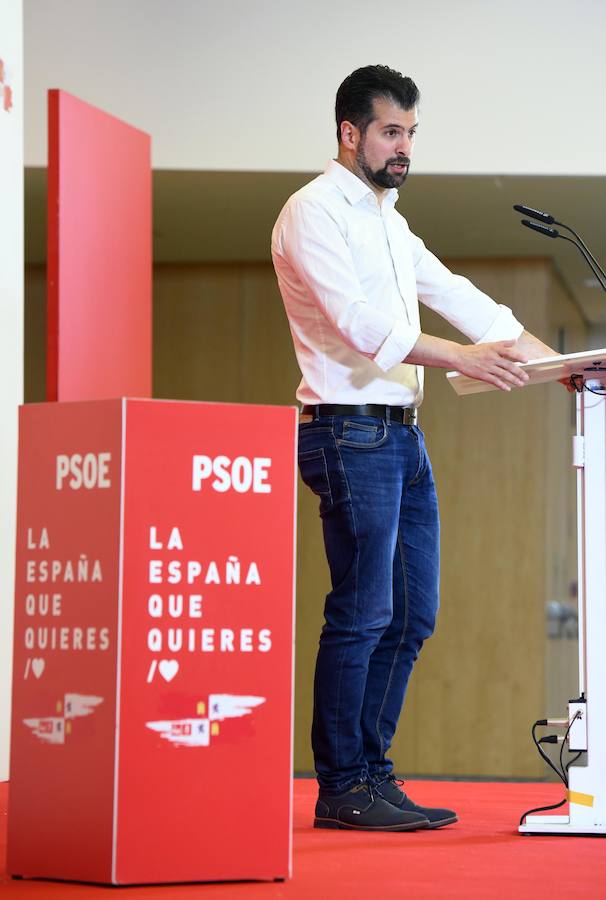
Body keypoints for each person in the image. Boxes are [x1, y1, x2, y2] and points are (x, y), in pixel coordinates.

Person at [271, 65, 556, 832]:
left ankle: (372, 773)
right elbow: (361, 326)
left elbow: (462, 297)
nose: (404, 149)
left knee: (411, 617)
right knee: (362, 614)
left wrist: (554, 365)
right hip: (347, 428)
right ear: (350, 133)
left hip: (401, 433)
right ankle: (341, 787)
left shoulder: (391, 223)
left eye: (411, 135)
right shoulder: (312, 212)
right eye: (391, 132)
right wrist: (464, 360)